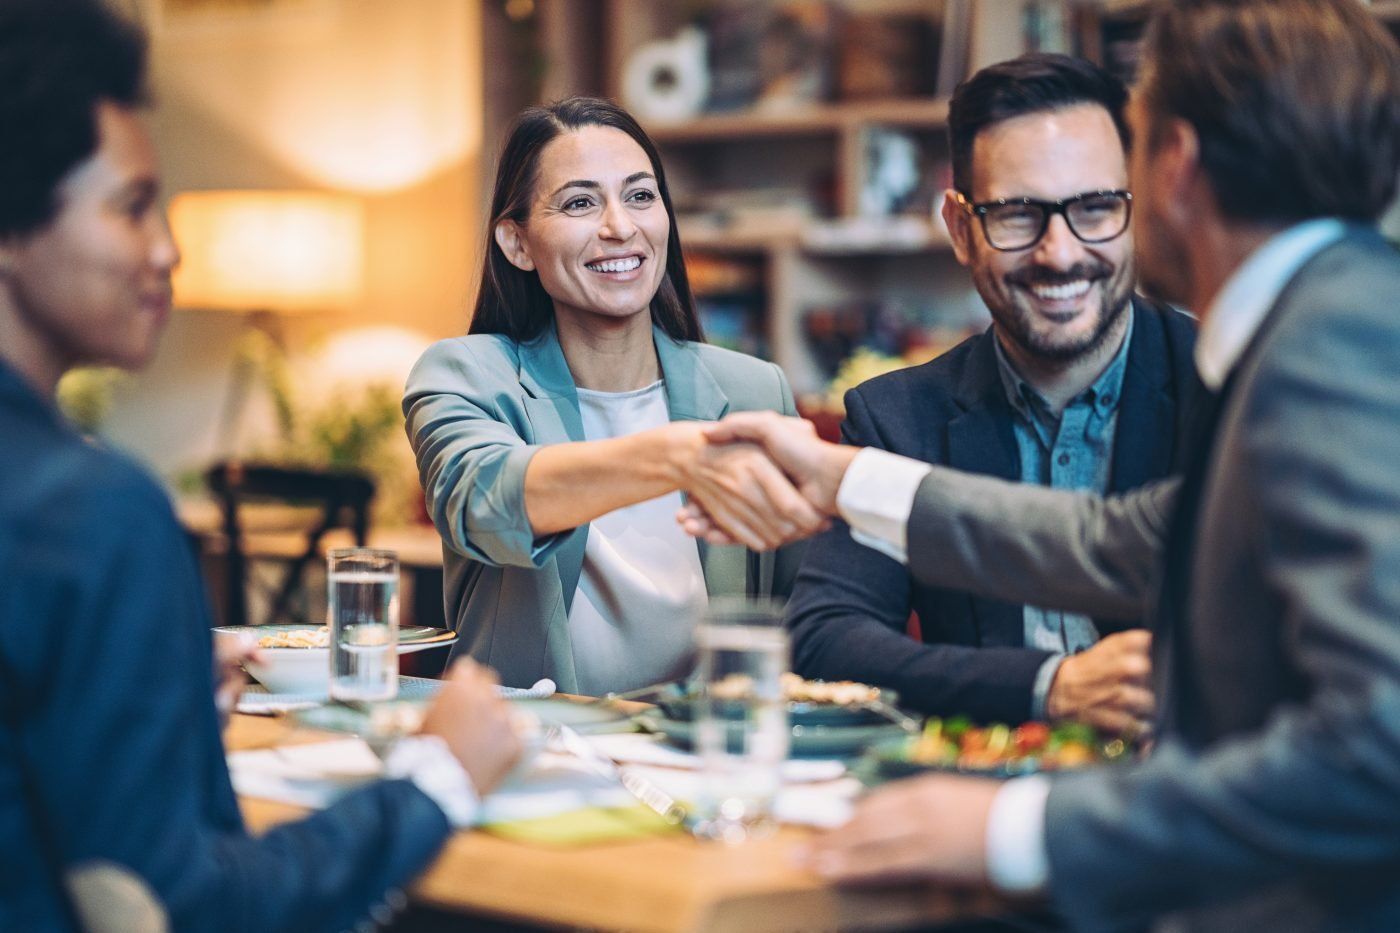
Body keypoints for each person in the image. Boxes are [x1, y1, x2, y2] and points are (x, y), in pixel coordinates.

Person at [687, 1, 1400, 927]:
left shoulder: (1330, 343)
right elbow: (1125, 540)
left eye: (1108, 188)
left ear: (1173, 164)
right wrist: (843, 480)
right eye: (1022, 213)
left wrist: (1018, 828)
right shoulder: (1322, 321)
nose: (1064, 247)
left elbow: (1377, 747)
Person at [0, 2, 521, 929]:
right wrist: (435, 776)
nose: (168, 248)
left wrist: (146, 690)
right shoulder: (92, 511)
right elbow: (184, 907)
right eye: (131, 206)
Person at [784, 53, 1197, 732]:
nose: (1060, 252)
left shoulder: (1224, 387)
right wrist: (1048, 687)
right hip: (976, 781)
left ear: (1139, 209)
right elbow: (825, 641)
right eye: (1016, 214)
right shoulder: (897, 417)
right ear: (960, 229)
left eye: (1095, 208)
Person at [403, 97, 820, 696]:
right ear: (517, 243)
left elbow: (804, 610)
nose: (620, 226)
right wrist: (677, 457)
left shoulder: (754, 390)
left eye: (641, 195)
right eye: (580, 203)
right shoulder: (469, 374)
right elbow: (483, 502)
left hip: (701, 740)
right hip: (532, 740)